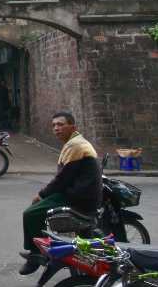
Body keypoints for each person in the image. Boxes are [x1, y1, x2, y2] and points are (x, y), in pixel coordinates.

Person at [19, 111, 102, 275]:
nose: (56, 128)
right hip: (75, 192)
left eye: (61, 124)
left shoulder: (76, 145)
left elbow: (62, 179)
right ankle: (39, 250)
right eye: (54, 125)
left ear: (73, 127)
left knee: (30, 213)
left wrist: (42, 194)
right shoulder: (74, 143)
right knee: (35, 210)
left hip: (77, 197)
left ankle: (37, 253)